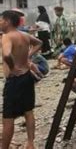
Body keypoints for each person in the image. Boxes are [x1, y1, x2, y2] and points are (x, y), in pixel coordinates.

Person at [1, 10, 43, 149]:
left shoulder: (7, 37)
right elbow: (39, 42)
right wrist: (28, 55)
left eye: (1, 20)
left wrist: (12, 67)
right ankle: (30, 143)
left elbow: (7, 55)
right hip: (27, 76)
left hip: (14, 80)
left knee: (8, 117)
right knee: (28, 111)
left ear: (7, 21)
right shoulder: (24, 35)